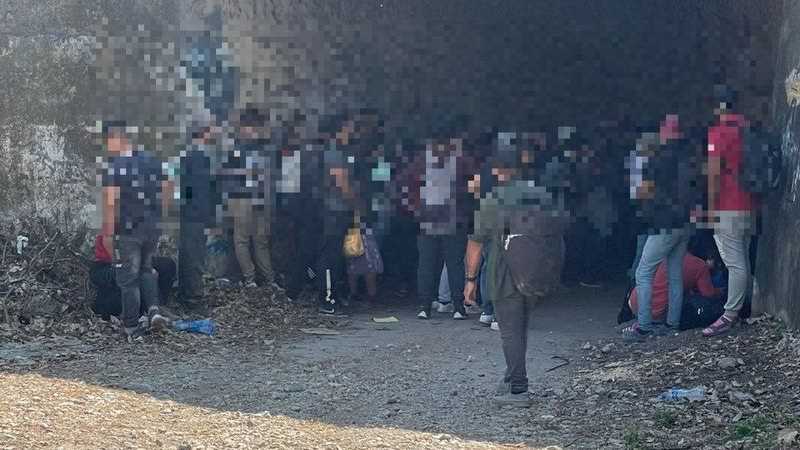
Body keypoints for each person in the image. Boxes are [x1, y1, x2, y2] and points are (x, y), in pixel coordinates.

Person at [464, 138, 567, 407]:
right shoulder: (542, 195)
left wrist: (470, 280)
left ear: (498, 170)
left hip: (505, 275)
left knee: (510, 331)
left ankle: (518, 389)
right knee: (520, 327)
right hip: (535, 273)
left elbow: (475, 243)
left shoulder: (494, 200)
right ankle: (511, 378)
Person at [623, 115, 699, 341]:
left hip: (664, 224)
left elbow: (643, 191)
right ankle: (672, 324)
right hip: (685, 223)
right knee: (674, 274)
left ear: (664, 133)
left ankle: (644, 326)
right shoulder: (689, 158)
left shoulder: (658, 160)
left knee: (643, 272)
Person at [99, 121, 171, 342]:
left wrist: (108, 233)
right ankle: (153, 311)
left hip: (128, 229)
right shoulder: (151, 160)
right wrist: (160, 215)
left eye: (108, 141)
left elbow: (110, 200)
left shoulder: (115, 166)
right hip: (152, 226)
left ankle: (131, 327)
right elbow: (168, 187)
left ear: (115, 138)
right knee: (147, 270)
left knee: (128, 278)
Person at [399, 129, 476, 320]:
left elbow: (404, 187)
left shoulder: (420, 163)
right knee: (455, 264)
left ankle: (425, 307)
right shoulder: (460, 162)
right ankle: (458, 308)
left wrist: (415, 210)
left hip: (427, 220)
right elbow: (474, 188)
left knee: (426, 264)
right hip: (454, 220)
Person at [701, 87, 757, 337]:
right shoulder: (748, 129)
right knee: (743, 259)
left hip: (727, 205)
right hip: (749, 204)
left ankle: (729, 315)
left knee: (734, 264)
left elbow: (714, 174)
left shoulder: (719, 131)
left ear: (719, 106)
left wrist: (711, 209)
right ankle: (745, 308)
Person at [222, 108, 275, 288]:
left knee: (256, 240)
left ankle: (262, 278)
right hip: (244, 197)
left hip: (252, 197)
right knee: (246, 240)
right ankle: (254, 278)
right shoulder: (242, 149)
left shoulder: (251, 148)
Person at [90, 235, 176, 320]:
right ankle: (151, 311)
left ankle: (158, 306)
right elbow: (99, 274)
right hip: (113, 279)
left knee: (167, 265)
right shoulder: (107, 238)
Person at [177, 125, 217, 305]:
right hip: (196, 215)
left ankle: (185, 292)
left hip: (187, 214)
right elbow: (203, 191)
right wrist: (209, 217)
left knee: (187, 253)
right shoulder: (200, 159)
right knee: (195, 255)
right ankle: (194, 295)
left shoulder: (185, 157)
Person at [628, 252, 723, 324]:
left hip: (634, 302)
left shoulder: (664, 254)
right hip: (656, 313)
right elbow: (708, 293)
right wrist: (720, 291)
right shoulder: (699, 265)